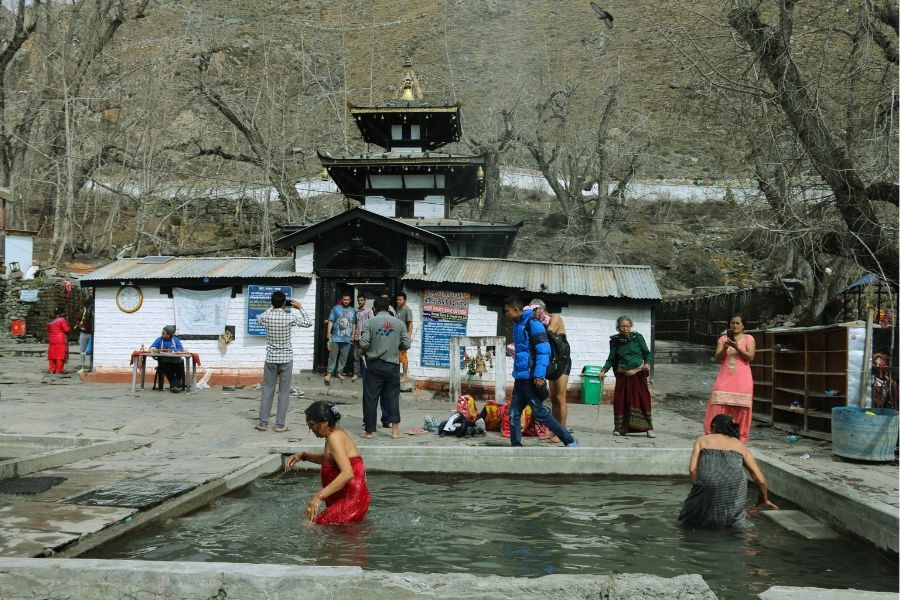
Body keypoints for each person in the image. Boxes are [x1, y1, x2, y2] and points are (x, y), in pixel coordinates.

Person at [679, 414, 778, 529]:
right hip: (735, 488)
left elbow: (692, 469)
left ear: (714, 427)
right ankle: (747, 536)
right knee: (735, 521)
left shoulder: (702, 440)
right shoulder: (740, 445)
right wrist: (763, 498)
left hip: (706, 483)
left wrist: (699, 488)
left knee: (690, 520)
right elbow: (760, 479)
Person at [504, 296, 577, 448]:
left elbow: (543, 351)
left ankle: (568, 439)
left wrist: (539, 374)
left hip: (531, 376)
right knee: (513, 413)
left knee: (539, 413)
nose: (506, 314)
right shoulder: (518, 325)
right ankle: (516, 446)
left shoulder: (533, 324)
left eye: (507, 311)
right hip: (520, 377)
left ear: (517, 310)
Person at [284, 401, 371, 525]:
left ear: (324, 422)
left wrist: (319, 497)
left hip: (350, 499)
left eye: (313, 425)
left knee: (311, 526)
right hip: (347, 497)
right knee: (339, 538)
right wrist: (304, 456)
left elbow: (347, 473)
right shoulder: (332, 434)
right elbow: (328, 460)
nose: (311, 429)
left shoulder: (335, 437)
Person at [255, 291, 312, 432]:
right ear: (284, 304)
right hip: (286, 359)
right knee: (284, 392)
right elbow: (308, 323)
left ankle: (263, 423)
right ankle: (280, 424)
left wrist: (271, 308)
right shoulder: (289, 317)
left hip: (271, 358)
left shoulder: (267, 316)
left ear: (272, 303)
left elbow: (258, 319)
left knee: (268, 389)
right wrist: (300, 308)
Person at [359, 296, 409, 440]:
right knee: (393, 398)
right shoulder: (399, 323)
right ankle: (394, 432)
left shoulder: (369, 322)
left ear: (374, 309)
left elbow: (363, 344)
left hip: (374, 366)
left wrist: (364, 350)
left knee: (370, 398)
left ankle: (369, 432)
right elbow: (406, 345)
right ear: (388, 308)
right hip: (392, 366)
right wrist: (394, 344)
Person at [599, 316, 655, 437]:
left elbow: (647, 354)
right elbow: (611, 358)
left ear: (631, 326)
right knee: (621, 401)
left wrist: (646, 363)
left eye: (627, 326)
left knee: (642, 399)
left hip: (638, 375)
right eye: (622, 326)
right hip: (623, 376)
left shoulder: (638, 338)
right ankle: (620, 428)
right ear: (618, 327)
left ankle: (648, 428)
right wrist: (604, 370)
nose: (625, 329)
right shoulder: (615, 341)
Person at [704, 314, 756, 442]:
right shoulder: (723, 339)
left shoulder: (749, 338)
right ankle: (712, 435)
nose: (735, 325)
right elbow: (717, 358)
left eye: (738, 323)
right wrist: (725, 348)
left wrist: (737, 347)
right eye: (733, 323)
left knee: (742, 409)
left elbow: (750, 357)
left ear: (743, 325)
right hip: (725, 377)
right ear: (729, 325)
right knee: (716, 406)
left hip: (743, 379)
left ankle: (740, 439)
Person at [530, 298, 571, 445]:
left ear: (540, 309)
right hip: (550, 361)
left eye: (534, 310)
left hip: (562, 360)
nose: (533, 314)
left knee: (560, 397)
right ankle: (554, 430)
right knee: (553, 398)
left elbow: (548, 333)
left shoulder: (555, 318)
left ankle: (563, 432)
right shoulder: (538, 322)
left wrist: (535, 324)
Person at [324, 293, 355, 385]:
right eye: (344, 299)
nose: (346, 301)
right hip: (335, 337)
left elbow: (353, 323)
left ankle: (339, 372)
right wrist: (328, 333)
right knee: (332, 357)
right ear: (342, 299)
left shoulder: (353, 310)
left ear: (350, 300)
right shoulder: (336, 308)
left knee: (343, 357)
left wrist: (353, 334)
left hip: (347, 338)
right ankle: (329, 373)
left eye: (347, 300)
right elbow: (331, 320)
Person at [149, 325, 185, 393]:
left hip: (175, 361)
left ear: (169, 335)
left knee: (180, 366)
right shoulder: (159, 339)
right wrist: (156, 350)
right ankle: (175, 386)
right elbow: (151, 348)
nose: (161, 334)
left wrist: (172, 350)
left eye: (163, 333)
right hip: (165, 361)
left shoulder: (175, 340)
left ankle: (174, 386)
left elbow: (181, 349)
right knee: (165, 367)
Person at [351, 293, 374, 383]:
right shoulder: (356, 311)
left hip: (366, 337)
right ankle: (356, 374)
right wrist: (353, 335)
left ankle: (368, 374)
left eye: (361, 300)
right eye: (359, 300)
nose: (360, 302)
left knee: (367, 356)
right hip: (357, 336)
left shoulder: (369, 311)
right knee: (356, 356)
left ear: (365, 301)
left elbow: (372, 323)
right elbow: (354, 324)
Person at [395, 292, 414, 382]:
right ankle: (397, 374)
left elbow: (410, 324)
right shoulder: (398, 309)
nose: (398, 301)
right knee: (397, 356)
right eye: (397, 299)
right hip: (396, 337)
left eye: (400, 299)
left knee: (403, 356)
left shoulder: (407, 310)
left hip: (403, 337)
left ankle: (405, 376)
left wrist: (409, 336)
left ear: (405, 300)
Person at [46, 306, 71, 374]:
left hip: (52, 340)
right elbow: (66, 329)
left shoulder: (50, 321)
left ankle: (52, 369)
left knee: (52, 355)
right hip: (60, 340)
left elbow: (48, 330)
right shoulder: (62, 320)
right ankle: (59, 370)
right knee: (60, 355)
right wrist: (68, 323)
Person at [76, 288, 94, 373]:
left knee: (92, 350)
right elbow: (77, 320)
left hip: (92, 333)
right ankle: (81, 365)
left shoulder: (97, 309)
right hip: (84, 332)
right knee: (82, 350)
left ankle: (91, 365)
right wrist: (81, 327)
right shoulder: (84, 310)